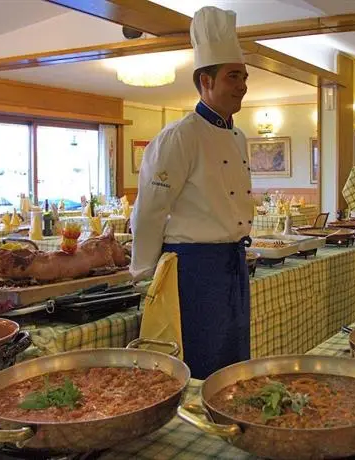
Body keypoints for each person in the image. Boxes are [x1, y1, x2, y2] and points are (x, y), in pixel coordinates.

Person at [130, 6, 253, 379]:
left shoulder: (238, 136)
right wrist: (146, 278)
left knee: (234, 360)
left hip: (233, 265)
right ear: (206, 81)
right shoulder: (180, 136)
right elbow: (149, 210)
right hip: (193, 270)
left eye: (245, 77)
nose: (243, 85)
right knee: (199, 362)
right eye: (233, 77)